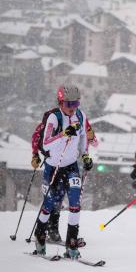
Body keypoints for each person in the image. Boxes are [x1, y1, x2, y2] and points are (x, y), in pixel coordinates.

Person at [33, 85, 93, 259]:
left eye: (76, 102)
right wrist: (63, 134)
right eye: (69, 103)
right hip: (53, 167)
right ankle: (40, 238)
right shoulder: (54, 118)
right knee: (49, 204)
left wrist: (85, 155)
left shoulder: (80, 115)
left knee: (75, 204)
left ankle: (72, 244)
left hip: (71, 166)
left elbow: (82, 137)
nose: (73, 107)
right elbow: (46, 143)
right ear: (61, 102)